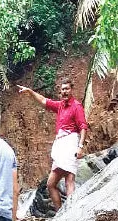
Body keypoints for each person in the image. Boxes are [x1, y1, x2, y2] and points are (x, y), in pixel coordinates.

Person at [17, 79, 88, 211]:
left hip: (71, 142)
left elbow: (83, 126)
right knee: (51, 184)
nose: (65, 91)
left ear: (71, 90)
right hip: (60, 144)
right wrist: (30, 92)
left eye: (67, 89)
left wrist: (80, 146)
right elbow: (44, 101)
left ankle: (70, 213)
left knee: (69, 179)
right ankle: (60, 213)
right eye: (63, 89)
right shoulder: (60, 105)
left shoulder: (76, 106)